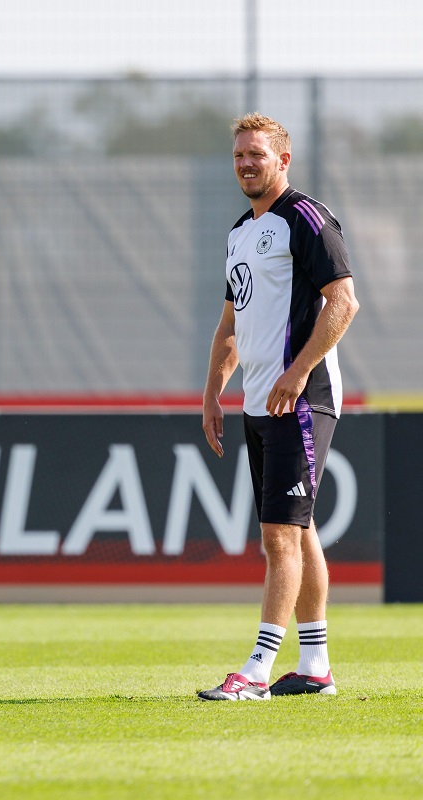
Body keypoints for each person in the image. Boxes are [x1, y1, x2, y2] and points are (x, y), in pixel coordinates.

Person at [198, 113, 359, 701]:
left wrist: (297, 374)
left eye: (257, 155)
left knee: (278, 538)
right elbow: (229, 327)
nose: (246, 164)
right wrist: (214, 392)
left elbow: (343, 303)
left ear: (283, 160)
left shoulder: (307, 219)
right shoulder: (241, 231)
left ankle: (258, 671)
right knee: (299, 529)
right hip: (258, 403)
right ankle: (314, 665)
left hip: (303, 398)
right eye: (239, 155)